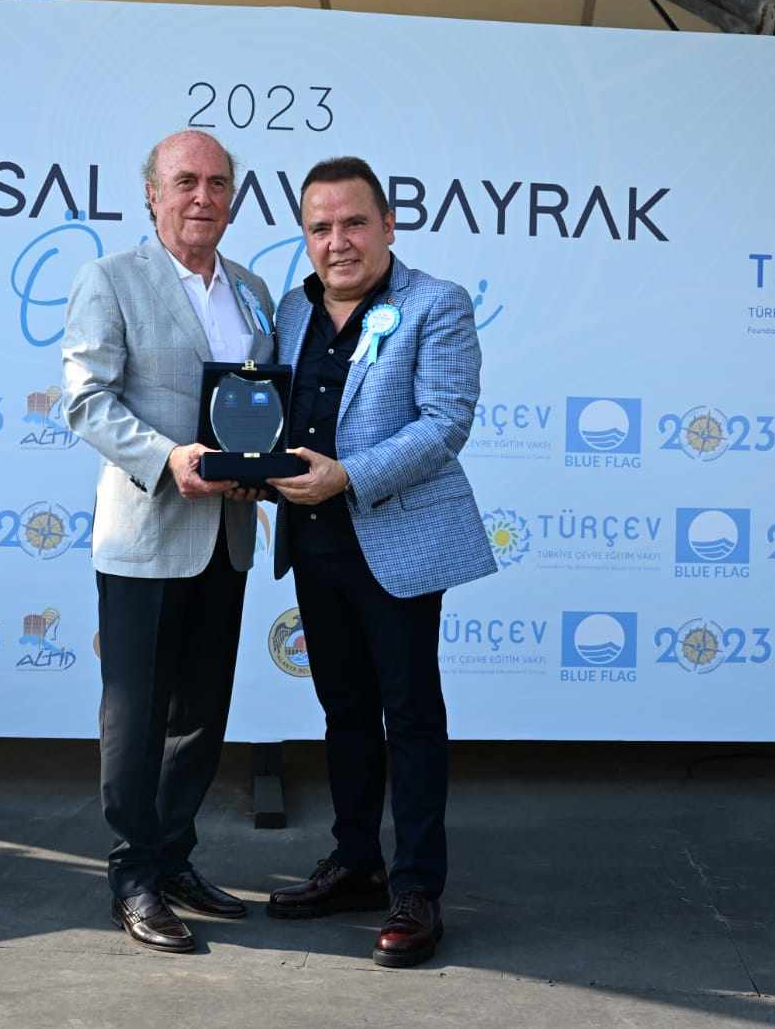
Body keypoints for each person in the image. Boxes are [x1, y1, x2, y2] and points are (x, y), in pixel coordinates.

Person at [264, 156, 496, 968]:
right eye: (321, 228)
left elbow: (445, 422)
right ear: (305, 237)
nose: (338, 242)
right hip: (313, 541)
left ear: (388, 226)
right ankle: (356, 861)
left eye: (355, 223)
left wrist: (349, 476)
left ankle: (417, 888)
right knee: (344, 712)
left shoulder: (436, 304)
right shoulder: (292, 311)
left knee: (411, 715)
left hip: (396, 543)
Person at [61, 129, 276, 953]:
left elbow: (260, 402)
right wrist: (167, 458)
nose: (202, 197)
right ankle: (134, 877)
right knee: (138, 715)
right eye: (185, 181)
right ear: (152, 194)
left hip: (227, 534)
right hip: (147, 533)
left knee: (200, 716)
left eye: (218, 183)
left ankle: (175, 858)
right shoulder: (110, 279)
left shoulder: (252, 290)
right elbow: (87, 399)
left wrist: (263, 467)